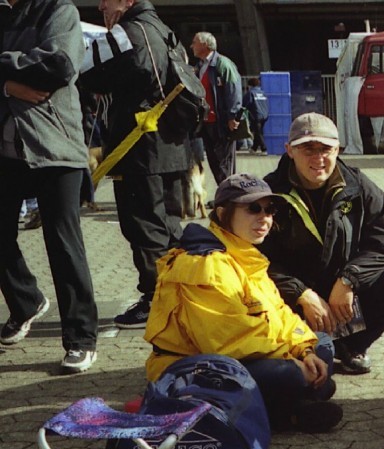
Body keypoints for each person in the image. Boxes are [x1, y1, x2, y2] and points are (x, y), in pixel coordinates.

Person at [144, 174, 342, 433]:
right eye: (253, 208)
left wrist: (304, 351)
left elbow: (279, 314)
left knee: (322, 344)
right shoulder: (205, 264)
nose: (264, 218)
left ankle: (287, 407)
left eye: (270, 209)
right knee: (290, 374)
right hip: (192, 368)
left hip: (245, 355)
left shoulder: (243, 254)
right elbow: (228, 340)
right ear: (223, 213)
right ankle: (288, 413)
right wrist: (292, 360)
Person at [259, 113, 384, 375]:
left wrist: (349, 279)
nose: (318, 158)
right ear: (289, 151)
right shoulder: (268, 194)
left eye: (326, 149)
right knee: (317, 368)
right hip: (294, 303)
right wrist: (301, 293)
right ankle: (307, 348)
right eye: (308, 149)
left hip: (344, 296)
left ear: (338, 149)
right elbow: (255, 259)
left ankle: (352, 346)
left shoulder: (360, 186)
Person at [0, 0, 98, 372]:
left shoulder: (59, 10)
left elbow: (57, 66)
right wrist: (10, 84)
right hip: (6, 149)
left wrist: (4, 72)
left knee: (62, 241)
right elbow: (33, 71)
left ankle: (81, 338)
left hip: (54, 146)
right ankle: (26, 301)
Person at [81, 0, 190, 329]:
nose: (101, 5)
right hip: (170, 145)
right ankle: (179, 295)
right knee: (169, 226)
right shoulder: (164, 29)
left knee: (143, 226)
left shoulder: (129, 32)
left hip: (140, 147)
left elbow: (101, 75)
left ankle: (156, 300)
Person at [190, 31, 242, 184]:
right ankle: (223, 194)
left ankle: (229, 197)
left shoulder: (223, 64)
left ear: (205, 45)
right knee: (213, 160)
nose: (191, 45)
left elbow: (233, 90)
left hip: (222, 122)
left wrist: (232, 117)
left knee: (225, 162)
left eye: (195, 42)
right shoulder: (200, 66)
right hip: (206, 122)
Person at [244, 77, 268, 154]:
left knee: (258, 132)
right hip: (265, 115)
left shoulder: (251, 93)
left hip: (256, 115)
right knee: (258, 132)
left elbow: (247, 103)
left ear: (250, 85)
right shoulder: (262, 92)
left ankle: (264, 149)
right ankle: (254, 148)